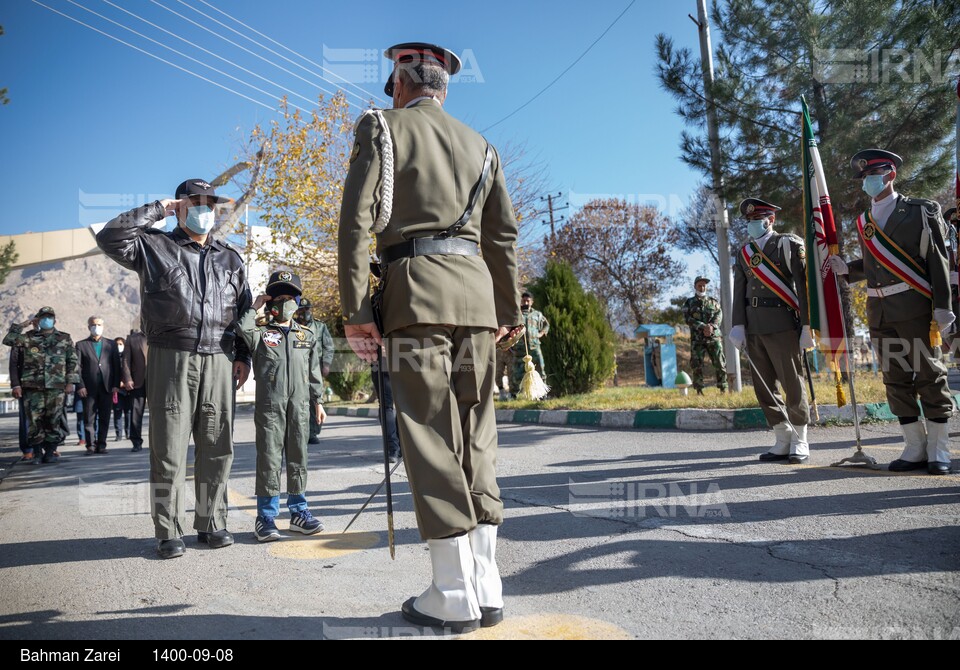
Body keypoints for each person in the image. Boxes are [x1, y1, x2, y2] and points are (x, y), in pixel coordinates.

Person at [338, 42, 521, 632]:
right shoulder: (482, 145)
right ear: (445, 88)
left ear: (397, 84)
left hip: (414, 296)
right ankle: (487, 585)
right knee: (476, 432)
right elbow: (503, 239)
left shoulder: (380, 128)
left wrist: (355, 307)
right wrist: (509, 307)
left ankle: (452, 592)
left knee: (429, 434)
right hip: (477, 300)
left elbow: (355, 222)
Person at [96, 178, 253, 559]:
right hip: (172, 355)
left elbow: (245, 311)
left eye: (209, 203)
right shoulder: (153, 246)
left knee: (217, 446)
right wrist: (158, 209)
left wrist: (243, 355)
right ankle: (168, 530)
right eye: (195, 202)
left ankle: (211, 522)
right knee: (169, 449)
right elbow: (109, 237)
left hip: (219, 356)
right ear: (180, 206)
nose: (204, 210)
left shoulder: (230, 257)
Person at [827, 150, 954, 475]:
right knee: (895, 380)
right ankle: (914, 447)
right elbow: (875, 266)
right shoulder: (864, 222)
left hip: (914, 308)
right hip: (879, 311)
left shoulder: (921, 211)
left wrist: (943, 307)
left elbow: (937, 261)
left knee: (929, 375)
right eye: (865, 177)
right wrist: (848, 269)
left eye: (875, 174)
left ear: (891, 175)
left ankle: (939, 450)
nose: (868, 181)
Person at [237, 271, 326, 542]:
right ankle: (265, 517)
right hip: (270, 408)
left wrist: (318, 402)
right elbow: (243, 328)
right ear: (271, 302)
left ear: (297, 302)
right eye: (279, 297)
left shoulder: (307, 335)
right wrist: (255, 306)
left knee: (299, 457)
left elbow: (314, 372)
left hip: (299, 407)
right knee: (269, 460)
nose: (284, 302)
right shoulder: (261, 334)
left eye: (290, 297)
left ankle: (299, 512)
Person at [729, 198, 813, 464]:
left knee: (792, 383)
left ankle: (800, 439)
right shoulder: (744, 253)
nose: (752, 225)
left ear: (771, 220)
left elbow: (804, 285)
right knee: (763, 386)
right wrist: (737, 325)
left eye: (757, 220)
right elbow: (739, 291)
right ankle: (782, 436)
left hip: (783, 324)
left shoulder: (788, 244)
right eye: (749, 221)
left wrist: (808, 326)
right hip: (754, 327)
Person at [3, 307, 80, 464]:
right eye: (43, 317)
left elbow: (72, 361)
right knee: (34, 421)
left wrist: (70, 381)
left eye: (49, 317)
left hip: (56, 387)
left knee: (53, 420)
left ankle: (50, 452)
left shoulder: (64, 338)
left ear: (54, 320)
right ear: (37, 319)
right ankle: (37, 454)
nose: (47, 320)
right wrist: (23, 325)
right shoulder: (27, 338)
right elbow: (8, 340)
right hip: (32, 387)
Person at [75, 316, 122, 455]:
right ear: (89, 327)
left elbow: (116, 367)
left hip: (107, 387)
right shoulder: (81, 345)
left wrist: (115, 385)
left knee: (104, 417)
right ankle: (90, 445)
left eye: (99, 324)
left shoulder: (111, 344)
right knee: (89, 417)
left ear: (103, 326)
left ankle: (101, 444)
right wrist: (80, 386)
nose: (97, 327)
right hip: (88, 389)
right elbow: (77, 368)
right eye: (94, 325)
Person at [293, 297, 334, 445]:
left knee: (315, 399)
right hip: (297, 368)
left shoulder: (320, 327)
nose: (304, 312)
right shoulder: (292, 326)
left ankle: (313, 432)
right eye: (301, 310)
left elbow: (328, 346)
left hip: (315, 368)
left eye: (307, 309)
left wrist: (327, 364)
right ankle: (299, 431)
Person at [682, 276, 728, 394]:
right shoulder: (689, 303)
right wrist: (703, 326)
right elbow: (688, 318)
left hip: (713, 337)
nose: (702, 287)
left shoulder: (713, 302)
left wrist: (711, 327)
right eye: (699, 285)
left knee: (720, 362)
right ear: (695, 286)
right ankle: (699, 390)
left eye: (704, 285)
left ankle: (723, 388)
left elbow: (719, 315)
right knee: (697, 364)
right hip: (698, 339)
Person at [509, 291, 550, 396]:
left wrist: (541, 333)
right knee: (516, 371)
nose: (526, 303)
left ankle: (542, 393)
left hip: (534, 346)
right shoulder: (517, 314)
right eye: (524, 301)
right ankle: (514, 393)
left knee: (540, 368)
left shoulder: (537, 314)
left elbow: (546, 324)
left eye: (528, 301)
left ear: (532, 302)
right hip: (519, 348)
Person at [121, 319, 149, 452]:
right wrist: (127, 378)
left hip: (157, 382)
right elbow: (126, 360)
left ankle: (158, 441)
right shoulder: (132, 339)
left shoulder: (160, 338)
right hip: (137, 382)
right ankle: (136, 442)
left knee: (159, 414)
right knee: (136, 413)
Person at [9, 338, 32, 460]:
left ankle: (50, 448)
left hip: (49, 386)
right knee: (26, 420)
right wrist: (16, 385)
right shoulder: (21, 340)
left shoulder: (58, 338)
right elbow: (13, 363)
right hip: (27, 386)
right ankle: (28, 450)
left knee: (49, 419)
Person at [112, 337, 131, 441]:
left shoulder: (127, 357)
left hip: (127, 389)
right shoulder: (112, 357)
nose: (119, 346)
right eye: (117, 344)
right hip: (117, 390)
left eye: (120, 344)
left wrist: (126, 381)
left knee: (128, 412)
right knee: (117, 412)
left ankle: (128, 433)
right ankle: (118, 434)